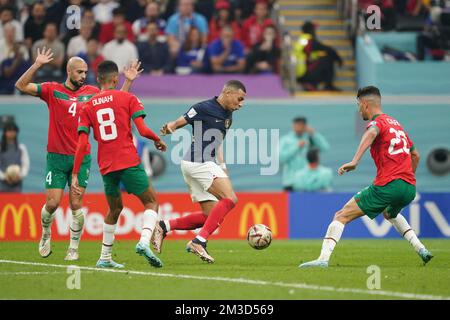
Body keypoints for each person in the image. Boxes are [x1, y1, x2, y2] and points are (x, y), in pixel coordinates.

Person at [14, 47, 140, 261]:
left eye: (85, 72)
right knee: (53, 203)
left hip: (81, 158)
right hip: (56, 157)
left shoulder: (91, 93)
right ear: (69, 71)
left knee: (76, 204)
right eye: (79, 72)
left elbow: (115, 102)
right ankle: (46, 233)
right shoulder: (52, 90)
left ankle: (73, 249)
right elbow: (21, 85)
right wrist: (37, 64)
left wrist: (128, 81)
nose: (83, 76)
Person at [299, 86, 433, 268]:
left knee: (341, 215)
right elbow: (415, 154)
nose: (358, 110)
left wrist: (354, 161)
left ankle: (323, 259)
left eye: (358, 105)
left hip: (388, 185)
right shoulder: (397, 125)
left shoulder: (376, 123)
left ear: (364, 103)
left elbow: (371, 133)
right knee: (390, 213)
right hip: (409, 187)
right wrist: (407, 177)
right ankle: (422, 250)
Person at [71, 60, 167, 269]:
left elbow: (82, 143)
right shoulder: (128, 98)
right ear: (116, 79)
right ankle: (143, 242)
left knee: (114, 209)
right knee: (151, 202)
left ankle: (105, 257)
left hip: (106, 166)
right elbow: (141, 129)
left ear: (98, 79)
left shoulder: (87, 106)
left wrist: (75, 173)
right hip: (128, 161)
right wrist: (156, 140)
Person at [152, 80, 247, 264]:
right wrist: (170, 127)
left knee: (209, 216)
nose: (241, 104)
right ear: (227, 92)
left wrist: (223, 165)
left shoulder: (228, 115)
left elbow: (216, 141)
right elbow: (180, 121)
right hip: (198, 162)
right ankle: (199, 241)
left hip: (199, 163)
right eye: (239, 98)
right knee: (231, 199)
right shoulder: (204, 107)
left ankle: (164, 226)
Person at [280, 117, 329, 191]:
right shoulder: (285, 140)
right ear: (293, 126)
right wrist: (297, 147)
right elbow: (281, 158)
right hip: (290, 182)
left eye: (301, 125)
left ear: (305, 126)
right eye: (297, 125)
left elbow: (325, 148)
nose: (299, 128)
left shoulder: (309, 139)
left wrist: (314, 134)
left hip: (306, 182)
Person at [293, 21, 342, 91]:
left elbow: (309, 55)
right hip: (305, 74)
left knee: (320, 59)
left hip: (300, 74)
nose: (315, 32)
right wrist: (339, 59)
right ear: (310, 30)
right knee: (328, 58)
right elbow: (328, 49)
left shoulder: (301, 40)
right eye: (314, 30)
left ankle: (311, 84)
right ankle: (328, 85)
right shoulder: (309, 40)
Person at [0, 122, 29, 192]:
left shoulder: (21, 148)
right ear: (5, 133)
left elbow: (25, 165)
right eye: (9, 131)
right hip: (2, 184)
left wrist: (20, 176)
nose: (11, 133)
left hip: (17, 185)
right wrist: (4, 177)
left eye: (13, 131)